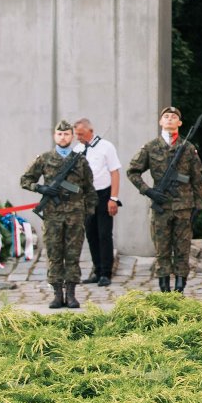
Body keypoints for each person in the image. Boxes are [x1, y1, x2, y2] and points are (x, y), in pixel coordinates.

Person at [20, 120, 95, 309]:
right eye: (60, 134)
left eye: (67, 134)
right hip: (52, 215)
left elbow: (89, 188)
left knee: (72, 255)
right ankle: (56, 294)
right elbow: (25, 179)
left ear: (72, 136)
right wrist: (41, 187)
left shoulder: (80, 160)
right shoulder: (45, 159)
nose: (63, 137)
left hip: (75, 215)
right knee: (54, 254)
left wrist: (89, 212)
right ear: (55, 136)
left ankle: (71, 294)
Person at [129, 106, 202, 293]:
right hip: (161, 207)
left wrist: (198, 204)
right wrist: (148, 191)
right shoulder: (151, 147)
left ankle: (179, 289)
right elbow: (133, 171)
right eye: (166, 116)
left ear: (179, 123)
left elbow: (197, 178)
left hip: (183, 207)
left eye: (174, 117)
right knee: (162, 250)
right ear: (160, 122)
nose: (169, 119)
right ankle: (164, 289)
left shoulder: (188, 148)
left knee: (182, 250)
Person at [75, 118, 123, 286]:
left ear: (90, 130)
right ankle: (97, 269)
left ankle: (106, 272)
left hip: (103, 194)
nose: (78, 137)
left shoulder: (106, 147)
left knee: (104, 234)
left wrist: (113, 198)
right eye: (76, 134)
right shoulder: (78, 149)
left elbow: (115, 173)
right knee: (91, 234)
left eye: (80, 134)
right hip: (86, 197)